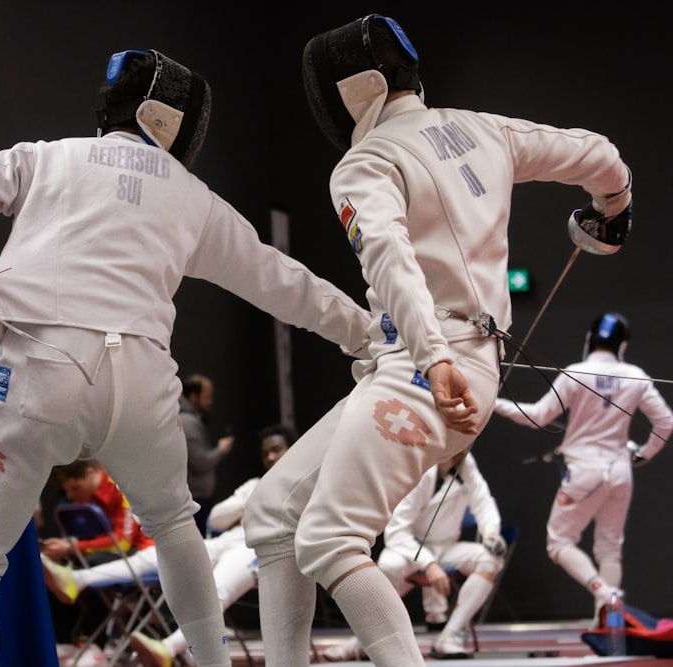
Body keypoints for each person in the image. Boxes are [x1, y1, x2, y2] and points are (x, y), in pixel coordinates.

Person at [0, 47, 372, 667]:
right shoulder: (193, 197)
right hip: (145, 386)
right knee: (175, 525)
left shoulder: (45, 158)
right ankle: (208, 661)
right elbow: (283, 281)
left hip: (41, 370)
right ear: (183, 125)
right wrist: (368, 336)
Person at [242, 13, 633, 667]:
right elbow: (597, 154)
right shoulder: (484, 129)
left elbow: (390, 258)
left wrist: (433, 356)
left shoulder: (365, 160)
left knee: (331, 538)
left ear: (351, 90)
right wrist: (613, 211)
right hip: (450, 363)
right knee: (273, 512)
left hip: (431, 367)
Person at [41, 424, 298, 667]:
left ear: (295, 449)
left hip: (269, 548)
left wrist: (261, 503)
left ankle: (167, 648)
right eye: (266, 453)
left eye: (277, 450)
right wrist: (258, 497)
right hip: (227, 541)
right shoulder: (256, 485)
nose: (271, 458)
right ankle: (78, 579)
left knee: (214, 588)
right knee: (157, 554)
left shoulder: (305, 486)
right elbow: (217, 517)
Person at [493, 312, 672, 624]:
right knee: (609, 549)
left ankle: (604, 592)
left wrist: (492, 403)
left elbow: (536, 415)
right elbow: (665, 422)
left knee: (559, 542)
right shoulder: (636, 375)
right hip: (619, 472)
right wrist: (645, 454)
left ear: (590, 339)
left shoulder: (576, 372)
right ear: (623, 345)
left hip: (584, 472)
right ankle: (610, 621)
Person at [324, 450, 506, 660]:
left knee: (490, 559)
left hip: (446, 547)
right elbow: (396, 532)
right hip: (409, 548)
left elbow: (483, 500)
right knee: (389, 565)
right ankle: (363, 642)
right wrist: (429, 564)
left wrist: (491, 532)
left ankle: (450, 637)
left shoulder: (466, 461)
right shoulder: (422, 466)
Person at [41, 459, 154, 566]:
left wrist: (72, 548)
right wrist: (64, 546)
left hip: (144, 550)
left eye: (75, 488)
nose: (70, 495)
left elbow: (123, 542)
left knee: (91, 561)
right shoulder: (86, 496)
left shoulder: (120, 487)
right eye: (67, 491)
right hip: (118, 552)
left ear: (90, 473)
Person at [179, 374, 235, 534]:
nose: (210, 402)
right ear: (193, 397)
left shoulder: (188, 420)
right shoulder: (188, 422)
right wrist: (221, 450)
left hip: (195, 499)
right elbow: (200, 463)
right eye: (207, 397)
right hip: (196, 501)